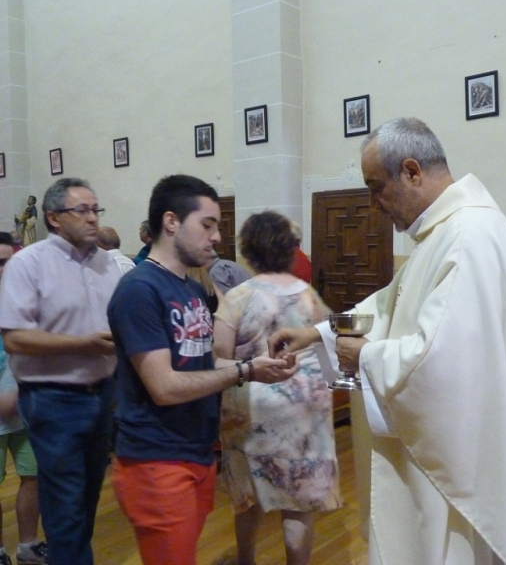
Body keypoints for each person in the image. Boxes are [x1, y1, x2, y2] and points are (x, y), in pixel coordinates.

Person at [269, 117, 506, 565]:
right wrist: (320, 333)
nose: (373, 203)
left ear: (411, 171)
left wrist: (365, 357)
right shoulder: (454, 231)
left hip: (462, 466)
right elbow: (392, 304)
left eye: (375, 186)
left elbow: (441, 363)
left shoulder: (465, 238)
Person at [106, 175, 297, 565]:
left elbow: (201, 361)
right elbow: (164, 386)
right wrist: (242, 373)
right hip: (155, 459)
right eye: (207, 225)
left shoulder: (191, 290)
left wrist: (256, 367)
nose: (216, 238)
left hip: (195, 451)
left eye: (218, 228)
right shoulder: (139, 289)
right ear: (172, 221)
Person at [0, 178, 121, 565]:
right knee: (65, 502)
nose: (92, 218)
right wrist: (84, 344)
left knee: (86, 498)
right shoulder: (28, 263)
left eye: (95, 209)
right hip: (52, 399)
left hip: (103, 394)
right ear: (53, 217)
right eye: (81, 210)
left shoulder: (109, 264)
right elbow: (16, 339)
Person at [213, 211, 341, 565]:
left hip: (252, 407)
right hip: (304, 407)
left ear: (248, 250)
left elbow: (218, 358)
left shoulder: (238, 297)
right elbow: (330, 345)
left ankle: (245, 559)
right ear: (288, 248)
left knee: (248, 490)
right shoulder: (309, 295)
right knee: (298, 498)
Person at [0, 233, 47, 565]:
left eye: (6, 262)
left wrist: (19, 390)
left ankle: (28, 546)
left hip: (24, 404)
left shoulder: (27, 301)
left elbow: (41, 350)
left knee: (32, 477)